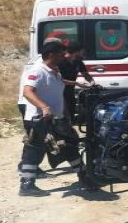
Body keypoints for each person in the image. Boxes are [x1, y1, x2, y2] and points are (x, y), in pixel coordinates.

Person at [17, 42, 81, 197]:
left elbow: (57, 89)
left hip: (56, 119)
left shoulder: (55, 72)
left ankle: (85, 176)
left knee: (70, 145)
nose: (64, 56)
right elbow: (27, 91)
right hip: (39, 118)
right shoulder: (38, 70)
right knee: (35, 151)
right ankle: (26, 185)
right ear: (52, 54)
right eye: (61, 53)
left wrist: (77, 85)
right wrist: (44, 107)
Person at [58, 41, 96, 122]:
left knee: (71, 114)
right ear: (76, 51)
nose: (84, 53)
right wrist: (77, 83)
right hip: (60, 93)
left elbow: (86, 74)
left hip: (70, 92)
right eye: (82, 51)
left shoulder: (78, 62)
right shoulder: (60, 62)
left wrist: (92, 82)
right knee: (63, 116)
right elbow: (59, 80)